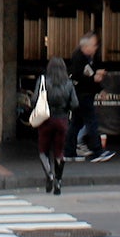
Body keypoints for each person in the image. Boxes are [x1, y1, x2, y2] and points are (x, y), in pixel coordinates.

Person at [36, 57, 79, 195]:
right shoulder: (69, 83)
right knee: (59, 152)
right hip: (62, 120)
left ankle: (49, 174)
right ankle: (58, 182)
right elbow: (75, 104)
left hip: (46, 119)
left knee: (43, 150)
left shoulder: (43, 80)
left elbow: (34, 99)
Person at [66, 34, 112, 162]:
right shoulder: (79, 59)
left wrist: (99, 88)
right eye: (93, 45)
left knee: (76, 123)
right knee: (91, 122)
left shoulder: (86, 58)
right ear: (85, 46)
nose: (95, 48)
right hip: (82, 95)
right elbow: (80, 76)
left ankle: (68, 151)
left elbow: (89, 75)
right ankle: (97, 151)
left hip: (82, 94)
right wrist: (94, 78)